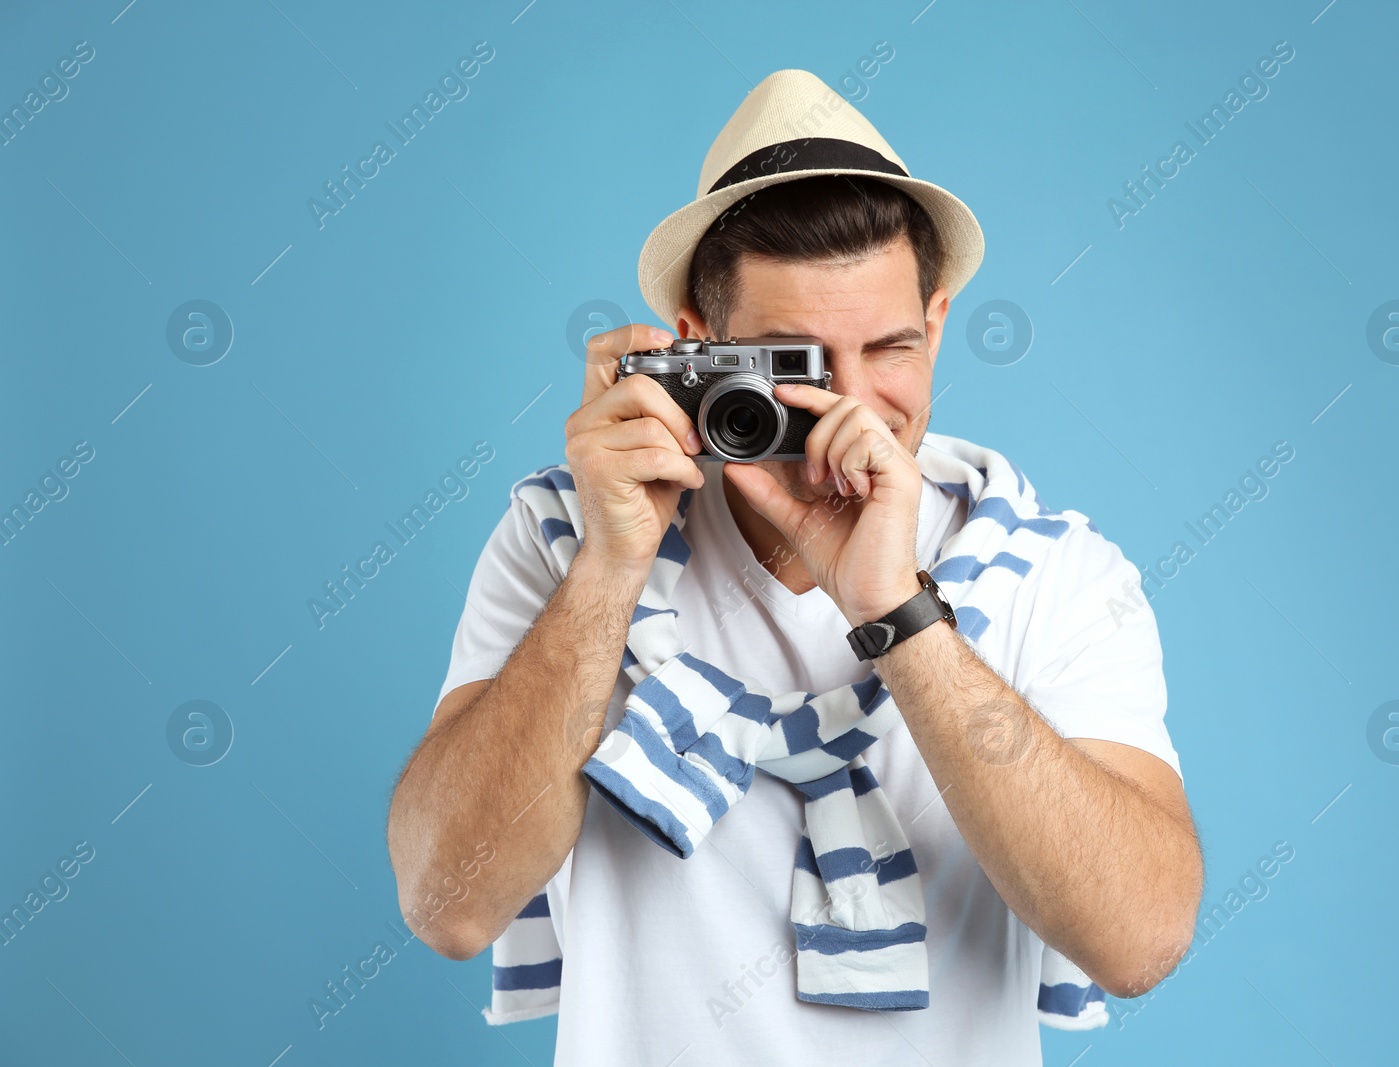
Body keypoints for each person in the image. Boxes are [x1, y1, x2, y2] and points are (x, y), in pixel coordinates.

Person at [387, 69, 1202, 1066]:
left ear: (938, 325)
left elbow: (1138, 940)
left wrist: (892, 606)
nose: (854, 404)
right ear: (698, 343)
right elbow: (447, 903)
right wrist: (610, 570)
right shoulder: (566, 536)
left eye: (891, 347)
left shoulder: (1054, 571)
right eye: (796, 362)